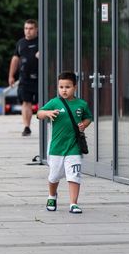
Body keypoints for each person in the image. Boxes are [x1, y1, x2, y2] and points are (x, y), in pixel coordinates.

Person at [36, 71, 92, 214]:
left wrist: (84, 124)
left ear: (75, 87)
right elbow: (39, 113)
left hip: (74, 147)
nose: (64, 90)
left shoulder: (81, 104)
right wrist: (47, 113)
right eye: (61, 87)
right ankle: (52, 196)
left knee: (74, 175)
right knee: (54, 176)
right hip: (56, 147)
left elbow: (88, 118)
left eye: (68, 87)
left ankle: (73, 203)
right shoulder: (55, 102)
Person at [8, 19, 39, 136]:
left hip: (40, 78)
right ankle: (27, 127)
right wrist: (11, 75)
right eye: (26, 28)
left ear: (36, 29)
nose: (28, 31)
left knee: (44, 102)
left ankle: (47, 126)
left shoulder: (42, 42)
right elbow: (15, 59)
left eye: (31, 28)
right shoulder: (20, 43)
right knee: (26, 102)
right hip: (24, 78)